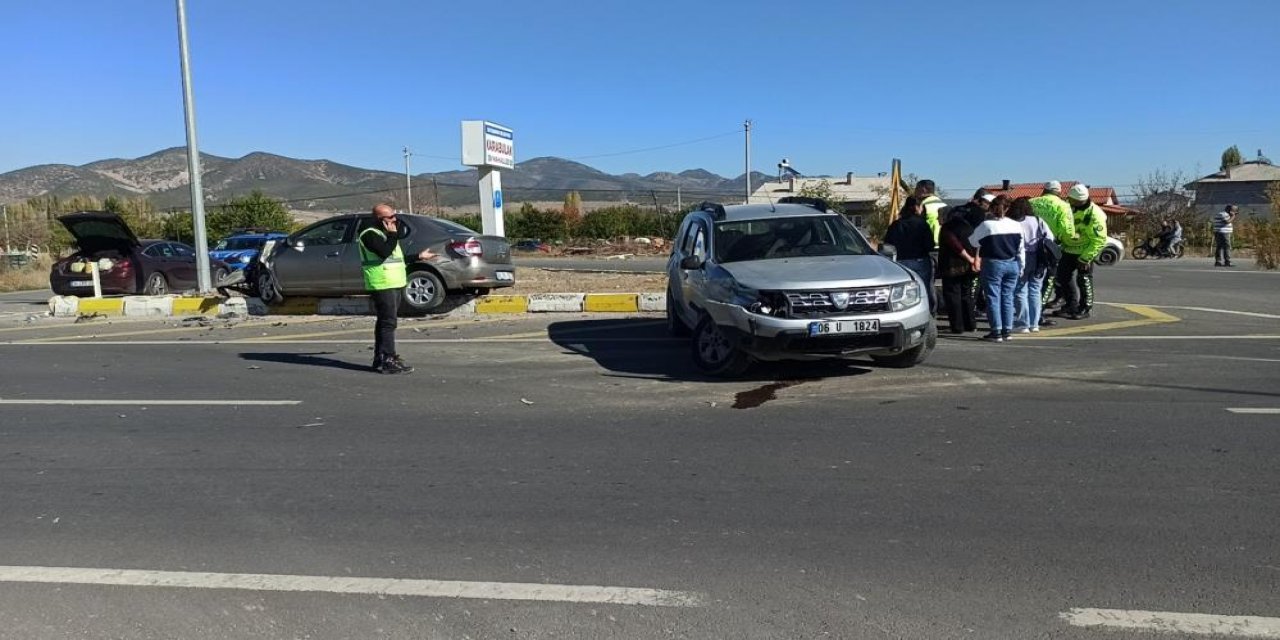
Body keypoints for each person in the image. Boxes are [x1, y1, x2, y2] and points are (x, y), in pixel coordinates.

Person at [361, 203, 437, 374]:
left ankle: (380, 358)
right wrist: (393, 234)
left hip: (393, 282)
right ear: (378, 219)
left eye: (394, 216)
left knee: (385, 321)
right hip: (381, 283)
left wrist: (418, 256)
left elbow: (396, 259)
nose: (394, 220)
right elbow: (384, 252)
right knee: (388, 322)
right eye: (389, 218)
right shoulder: (369, 234)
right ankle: (388, 358)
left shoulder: (384, 234)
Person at [969, 195, 1024, 342]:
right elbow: (1021, 247)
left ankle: (996, 330)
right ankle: (1007, 329)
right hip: (1012, 262)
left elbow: (973, 242)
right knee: (1008, 297)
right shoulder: (1016, 225)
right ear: (1008, 208)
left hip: (993, 262)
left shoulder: (987, 225)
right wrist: (1021, 266)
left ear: (992, 208)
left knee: (993, 297)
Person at [1053, 184, 1108, 320]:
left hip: (1084, 253)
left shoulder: (1095, 214)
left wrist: (1085, 258)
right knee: (1062, 277)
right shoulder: (1068, 207)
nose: (1069, 201)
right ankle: (1071, 305)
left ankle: (1085, 308)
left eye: (1072, 200)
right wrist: (1059, 238)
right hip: (1068, 249)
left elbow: (1099, 239)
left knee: (1084, 280)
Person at [882, 196, 937, 313]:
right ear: (917, 207)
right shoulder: (922, 224)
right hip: (920, 260)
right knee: (924, 289)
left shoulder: (896, 224)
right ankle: (928, 313)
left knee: (905, 291)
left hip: (901, 261)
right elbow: (930, 244)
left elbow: (887, 244)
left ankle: (908, 313)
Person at [1029, 181, 1075, 319]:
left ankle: (1027, 310)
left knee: (1030, 280)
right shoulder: (1063, 206)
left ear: (1044, 190)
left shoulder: (1032, 202)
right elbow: (1067, 230)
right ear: (1059, 192)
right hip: (1051, 247)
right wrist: (1065, 242)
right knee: (1048, 280)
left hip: (1030, 245)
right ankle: (1038, 312)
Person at [1009, 197, 1054, 333]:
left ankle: (1023, 322)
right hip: (1039, 257)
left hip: (1020, 257)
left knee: (1020, 290)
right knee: (1035, 290)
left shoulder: (1013, 222)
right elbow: (1050, 238)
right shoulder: (1038, 220)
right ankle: (1035, 323)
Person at [937, 206, 980, 334]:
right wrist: (974, 259)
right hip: (969, 267)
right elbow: (977, 244)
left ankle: (957, 326)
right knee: (966, 295)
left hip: (952, 267)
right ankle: (971, 324)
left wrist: (969, 258)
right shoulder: (968, 227)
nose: (939, 218)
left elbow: (955, 245)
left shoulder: (948, 228)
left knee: (952, 295)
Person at [914, 179, 949, 244]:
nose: (915, 191)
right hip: (943, 244)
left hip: (930, 243)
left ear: (923, 190)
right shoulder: (942, 204)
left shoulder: (924, 206)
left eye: (916, 188)